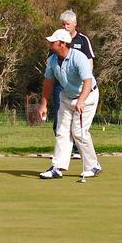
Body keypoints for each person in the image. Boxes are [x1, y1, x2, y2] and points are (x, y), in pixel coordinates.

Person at [38, 28, 101, 179]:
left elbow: (87, 81)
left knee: (79, 132)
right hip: (66, 97)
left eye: (53, 41)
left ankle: (93, 166)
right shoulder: (52, 60)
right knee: (62, 131)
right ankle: (57, 167)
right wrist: (44, 104)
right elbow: (48, 83)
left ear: (62, 44)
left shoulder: (79, 58)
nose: (50, 43)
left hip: (88, 96)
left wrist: (81, 101)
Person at [50, 10, 96, 158]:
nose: (65, 26)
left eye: (67, 24)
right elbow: (50, 65)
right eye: (63, 24)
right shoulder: (56, 41)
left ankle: (78, 151)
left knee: (78, 127)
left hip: (81, 86)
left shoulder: (82, 40)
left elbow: (89, 63)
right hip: (61, 85)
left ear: (74, 24)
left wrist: (83, 85)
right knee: (60, 121)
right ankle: (62, 157)